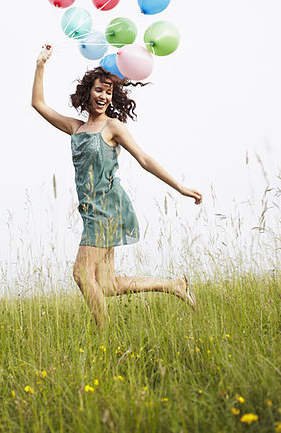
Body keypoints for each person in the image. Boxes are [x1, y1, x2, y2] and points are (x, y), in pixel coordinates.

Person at [31, 44, 203, 327]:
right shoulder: (76, 128)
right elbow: (39, 104)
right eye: (99, 89)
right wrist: (41, 65)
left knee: (82, 274)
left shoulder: (113, 127)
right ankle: (174, 285)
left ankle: (104, 334)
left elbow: (145, 159)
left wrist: (180, 188)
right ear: (87, 92)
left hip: (108, 209)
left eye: (109, 92)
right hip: (91, 210)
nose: (104, 96)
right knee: (107, 285)